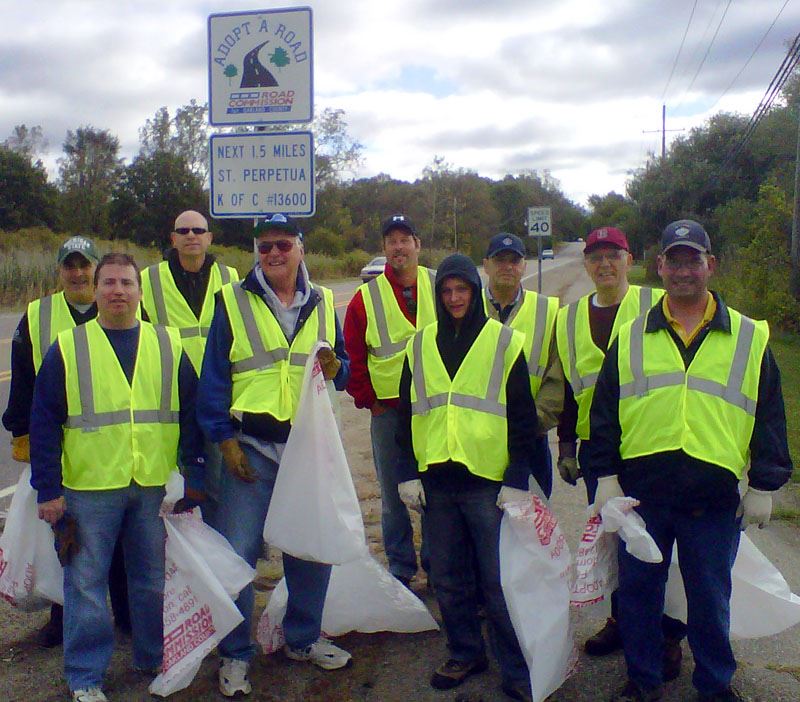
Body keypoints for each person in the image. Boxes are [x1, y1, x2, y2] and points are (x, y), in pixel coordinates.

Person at [586, 219, 793, 702]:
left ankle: (715, 685)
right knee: (638, 597)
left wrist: (764, 484)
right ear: (659, 266)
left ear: (710, 265)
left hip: (712, 500)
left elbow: (771, 416)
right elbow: (604, 415)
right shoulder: (633, 336)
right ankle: (643, 681)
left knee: (709, 600)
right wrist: (606, 478)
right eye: (673, 261)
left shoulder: (748, 337)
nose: (683, 271)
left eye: (692, 260)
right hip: (642, 498)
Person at [29, 253, 206, 702]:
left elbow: (191, 412)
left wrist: (193, 472)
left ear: (140, 292)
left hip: (150, 485)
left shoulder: (167, 343)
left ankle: (151, 657)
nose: (118, 291)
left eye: (127, 283)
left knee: (149, 581)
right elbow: (44, 420)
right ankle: (86, 676)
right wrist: (47, 490)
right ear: (96, 289)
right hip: (89, 489)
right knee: (85, 585)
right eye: (108, 282)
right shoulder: (69, 346)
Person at [197, 213, 352, 698]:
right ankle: (236, 655)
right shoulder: (232, 302)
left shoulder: (324, 301)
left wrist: (337, 366)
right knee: (238, 554)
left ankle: (303, 639)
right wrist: (223, 439)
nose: (274, 255)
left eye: (283, 245)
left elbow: (343, 371)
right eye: (265, 247)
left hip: (307, 448)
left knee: (309, 546)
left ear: (300, 248)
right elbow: (214, 379)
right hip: (250, 449)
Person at [396, 253, 537, 702]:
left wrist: (517, 477)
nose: (455, 298)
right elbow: (405, 415)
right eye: (447, 291)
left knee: (498, 583)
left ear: (475, 293)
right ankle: (465, 652)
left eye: (462, 290)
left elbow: (522, 417)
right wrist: (406, 474)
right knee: (450, 579)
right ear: (438, 297)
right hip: (437, 484)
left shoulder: (503, 342)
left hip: (487, 485)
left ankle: (516, 666)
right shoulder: (419, 345)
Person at [555, 226, 685, 674]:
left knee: (654, 541)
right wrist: (567, 444)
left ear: (630, 260)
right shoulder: (568, 318)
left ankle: (668, 633)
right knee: (614, 538)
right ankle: (622, 619)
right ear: (585, 265)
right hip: (598, 450)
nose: (604, 264)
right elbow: (572, 388)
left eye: (614, 255)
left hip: (649, 443)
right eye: (596, 257)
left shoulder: (654, 304)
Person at [1, 236, 130, 648]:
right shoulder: (38, 315)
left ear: (96, 270)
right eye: (69, 266)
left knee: (121, 539)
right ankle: (62, 620)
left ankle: (126, 617)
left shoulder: (119, 306)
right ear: (60, 271)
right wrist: (20, 430)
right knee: (67, 539)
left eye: (84, 265)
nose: (77, 273)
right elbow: (22, 375)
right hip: (58, 443)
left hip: (113, 445)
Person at [343, 213, 436, 587]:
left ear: (417, 244)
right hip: (388, 411)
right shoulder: (366, 298)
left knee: (435, 489)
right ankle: (400, 567)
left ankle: (436, 562)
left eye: (405, 239)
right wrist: (370, 401)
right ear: (384, 249)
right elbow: (353, 354)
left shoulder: (437, 283)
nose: (398, 247)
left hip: (434, 409)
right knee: (392, 492)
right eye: (391, 241)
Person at [141, 210, 239, 526]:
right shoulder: (148, 280)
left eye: (198, 230)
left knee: (217, 478)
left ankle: (218, 546)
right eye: (183, 231)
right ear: (173, 239)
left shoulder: (230, 278)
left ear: (209, 238)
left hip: (217, 393)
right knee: (172, 477)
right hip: (167, 393)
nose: (191, 236)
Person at [482, 232, 562, 496]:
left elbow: (556, 378)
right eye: (500, 260)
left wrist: (532, 423)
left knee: (533, 531)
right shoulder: (466, 307)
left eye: (514, 261)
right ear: (486, 265)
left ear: (524, 266)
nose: (507, 267)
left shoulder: (548, 311)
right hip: (478, 439)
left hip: (531, 439)